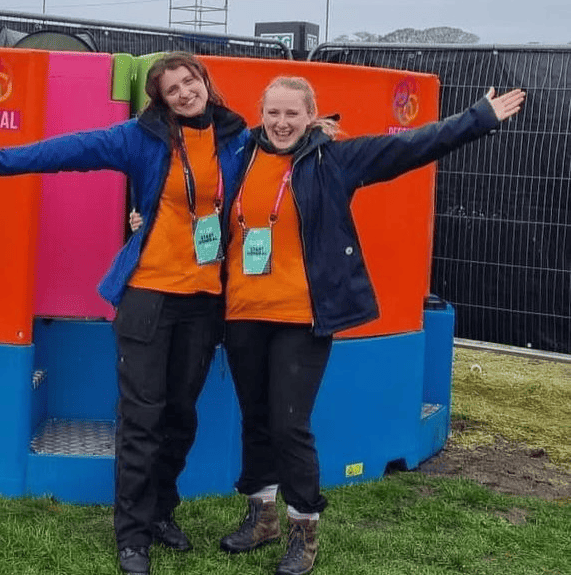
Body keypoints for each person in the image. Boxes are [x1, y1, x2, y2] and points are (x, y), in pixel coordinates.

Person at [131, 77, 526, 575]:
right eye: (272, 112)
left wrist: (478, 119)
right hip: (242, 314)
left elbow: (411, 146)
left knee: (288, 424)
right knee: (255, 420)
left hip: (302, 317)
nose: (281, 122)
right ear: (261, 112)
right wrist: (143, 218)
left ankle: (304, 528)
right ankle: (262, 517)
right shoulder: (241, 156)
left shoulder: (334, 159)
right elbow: (193, 194)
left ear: (311, 115)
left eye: (292, 114)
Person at [0, 52, 251, 575]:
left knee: (180, 417)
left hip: (204, 302)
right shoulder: (141, 137)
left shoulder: (237, 139)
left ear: (205, 82)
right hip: (148, 298)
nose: (183, 92)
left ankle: (159, 513)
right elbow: (72, 150)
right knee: (142, 420)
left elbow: (281, 159)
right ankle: (131, 536)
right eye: (170, 88)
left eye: (188, 81)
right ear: (159, 99)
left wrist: (315, 132)